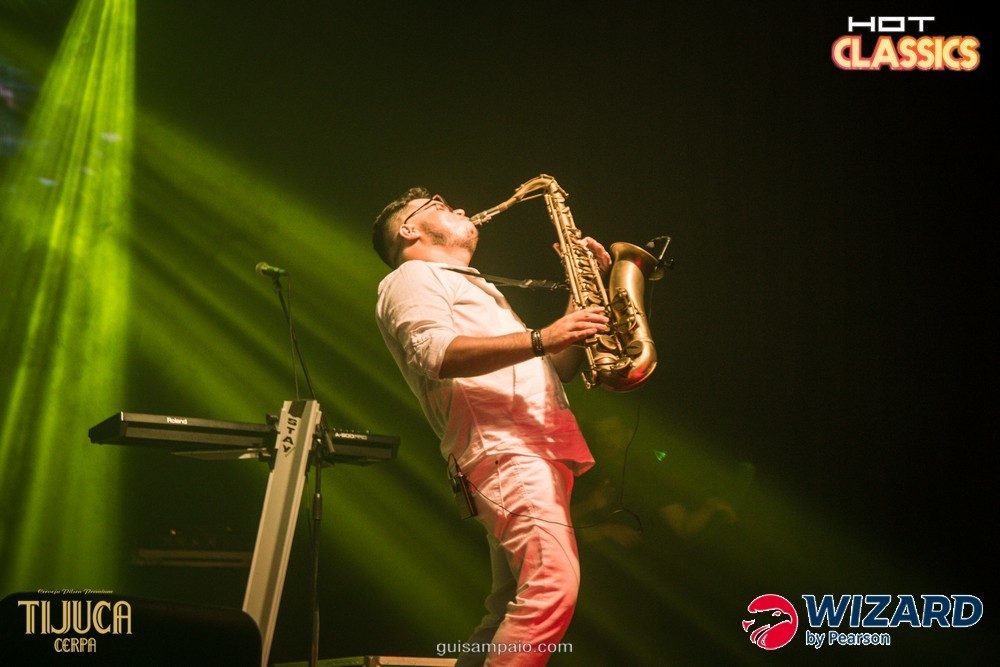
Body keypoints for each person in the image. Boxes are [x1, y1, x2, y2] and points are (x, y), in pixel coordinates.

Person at [372, 187, 611, 666]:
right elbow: (435, 354)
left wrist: (583, 292)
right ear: (409, 229)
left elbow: (557, 366)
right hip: (507, 448)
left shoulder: (467, 284)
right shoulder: (412, 276)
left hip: (524, 447)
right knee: (552, 586)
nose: (459, 207)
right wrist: (542, 337)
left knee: (506, 607)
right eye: (440, 205)